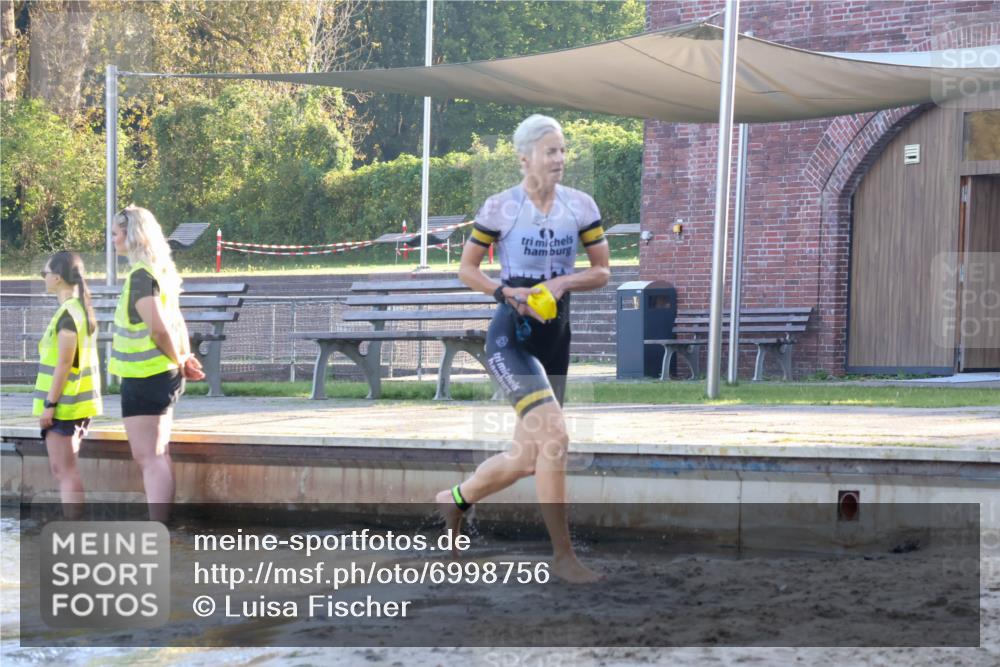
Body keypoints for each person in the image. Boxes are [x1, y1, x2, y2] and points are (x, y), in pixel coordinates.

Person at [436, 114, 610, 583]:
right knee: (555, 440)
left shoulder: (580, 205)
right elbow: (467, 270)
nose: (560, 159)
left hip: (557, 335)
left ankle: (453, 500)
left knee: (526, 458)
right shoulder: (501, 207)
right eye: (551, 151)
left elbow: (602, 271)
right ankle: (564, 558)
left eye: (563, 150)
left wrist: (562, 282)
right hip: (511, 334)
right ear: (525, 158)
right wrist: (504, 293)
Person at [108, 206, 204, 521]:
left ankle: (157, 527)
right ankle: (161, 526)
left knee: (148, 457)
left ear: (132, 235)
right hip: (160, 375)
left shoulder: (140, 277)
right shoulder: (159, 271)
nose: (112, 240)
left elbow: (159, 327)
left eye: (115, 233)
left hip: (146, 376)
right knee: (158, 454)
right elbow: (176, 321)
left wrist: (179, 358)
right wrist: (185, 357)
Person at [34, 251, 103, 515]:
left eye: (45, 273)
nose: (44, 278)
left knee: (64, 471)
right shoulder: (77, 309)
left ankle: (73, 532)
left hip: (65, 404)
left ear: (58, 278)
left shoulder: (68, 315)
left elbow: (64, 363)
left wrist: (50, 404)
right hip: (76, 402)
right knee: (64, 469)